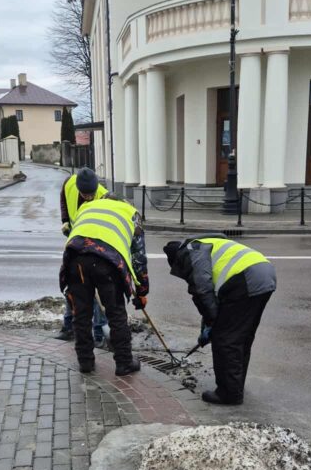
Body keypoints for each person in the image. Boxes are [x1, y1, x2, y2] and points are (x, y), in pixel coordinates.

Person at [163, 236, 276, 405]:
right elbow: (211, 299)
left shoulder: (191, 253)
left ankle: (228, 393)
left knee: (226, 340)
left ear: (177, 259)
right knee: (242, 337)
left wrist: (212, 324)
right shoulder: (206, 243)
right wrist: (209, 324)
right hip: (264, 274)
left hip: (244, 279)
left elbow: (202, 290)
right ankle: (235, 385)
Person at [61, 196, 149, 376]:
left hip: (75, 259)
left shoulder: (88, 206)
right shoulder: (131, 214)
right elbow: (138, 259)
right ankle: (124, 363)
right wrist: (142, 292)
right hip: (107, 262)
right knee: (116, 313)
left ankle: (85, 362)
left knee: (82, 314)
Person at [55, 167, 108, 344]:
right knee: (73, 286)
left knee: (98, 291)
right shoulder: (69, 184)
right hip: (74, 243)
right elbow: (63, 199)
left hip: (96, 247)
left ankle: (99, 334)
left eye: (90, 194)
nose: (88, 197)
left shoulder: (104, 197)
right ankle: (68, 327)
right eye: (85, 194)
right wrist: (64, 221)